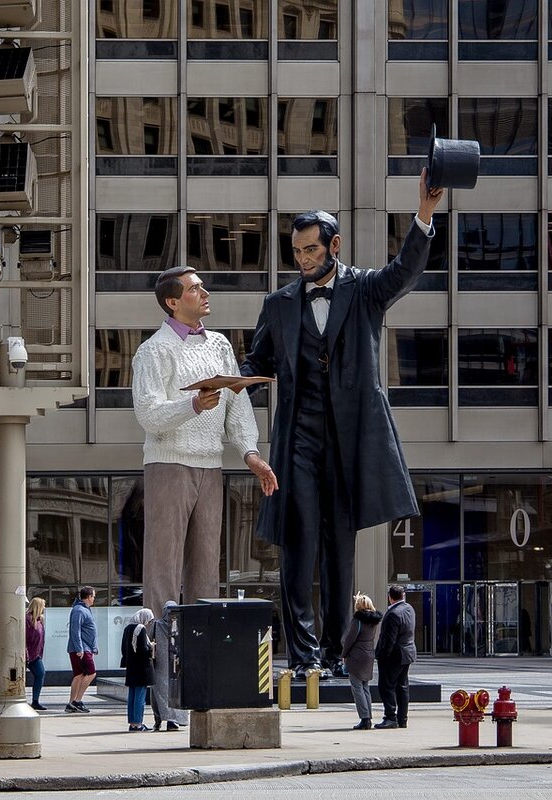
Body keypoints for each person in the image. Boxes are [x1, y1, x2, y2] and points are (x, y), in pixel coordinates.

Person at [240, 171, 443, 680]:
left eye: (312, 250)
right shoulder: (280, 304)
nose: (304, 260)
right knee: (298, 541)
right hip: (298, 441)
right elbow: (256, 362)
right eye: (297, 253)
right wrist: (224, 384)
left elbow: (405, 272)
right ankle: (302, 653)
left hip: (349, 442)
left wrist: (423, 213)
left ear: (334, 245)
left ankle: (333, 652)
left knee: (339, 551)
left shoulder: (366, 290)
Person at [132, 265, 277, 620]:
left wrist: (250, 453)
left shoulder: (220, 345)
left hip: (211, 466)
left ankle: (202, 646)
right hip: (169, 464)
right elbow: (149, 415)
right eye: (195, 289)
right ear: (172, 301)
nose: (205, 293)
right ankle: (158, 648)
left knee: (207, 564)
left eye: (202, 287)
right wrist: (193, 405)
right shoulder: (154, 351)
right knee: (163, 564)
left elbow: (237, 406)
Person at [374, 585, 417, 729]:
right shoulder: (409, 609)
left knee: (386, 687)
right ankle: (402, 718)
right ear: (403, 596)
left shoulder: (393, 613)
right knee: (402, 686)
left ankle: (390, 717)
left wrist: (381, 655)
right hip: (407, 653)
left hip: (394, 655)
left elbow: (389, 640)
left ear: (390, 597)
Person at [341, 592, 383, 730]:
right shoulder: (373, 621)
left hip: (357, 657)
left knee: (357, 688)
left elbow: (349, 639)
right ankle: (368, 716)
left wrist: (344, 654)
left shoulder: (357, 620)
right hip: (368, 655)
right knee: (365, 688)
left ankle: (364, 718)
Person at [150, 600, 187, 732]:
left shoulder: (157, 625)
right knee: (176, 692)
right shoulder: (180, 626)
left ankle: (159, 719)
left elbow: (150, 641)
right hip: (176, 664)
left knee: (158, 694)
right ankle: (175, 720)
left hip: (160, 664)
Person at [121, 608, 156, 732]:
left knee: (132, 696)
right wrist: (150, 647)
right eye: (149, 620)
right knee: (140, 697)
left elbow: (123, 649)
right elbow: (142, 650)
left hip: (131, 667)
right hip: (141, 668)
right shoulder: (140, 629)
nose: (148, 623)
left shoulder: (127, 628)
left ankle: (132, 723)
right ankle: (138, 723)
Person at [65, 586, 98, 713]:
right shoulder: (79, 610)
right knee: (91, 673)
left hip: (86, 648)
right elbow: (75, 630)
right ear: (88, 597)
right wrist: (80, 648)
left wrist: (93, 647)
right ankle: (77, 701)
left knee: (79, 675)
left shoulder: (84, 609)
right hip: (81, 649)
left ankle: (71, 703)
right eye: (93, 596)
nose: (94, 599)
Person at [25, 597, 47, 710]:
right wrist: (27, 654)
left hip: (36, 653)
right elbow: (24, 638)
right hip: (29, 654)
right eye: (43, 606)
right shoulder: (28, 620)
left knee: (40, 674)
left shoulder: (39, 620)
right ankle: (33, 700)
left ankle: (35, 700)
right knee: (40, 673)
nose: (44, 608)